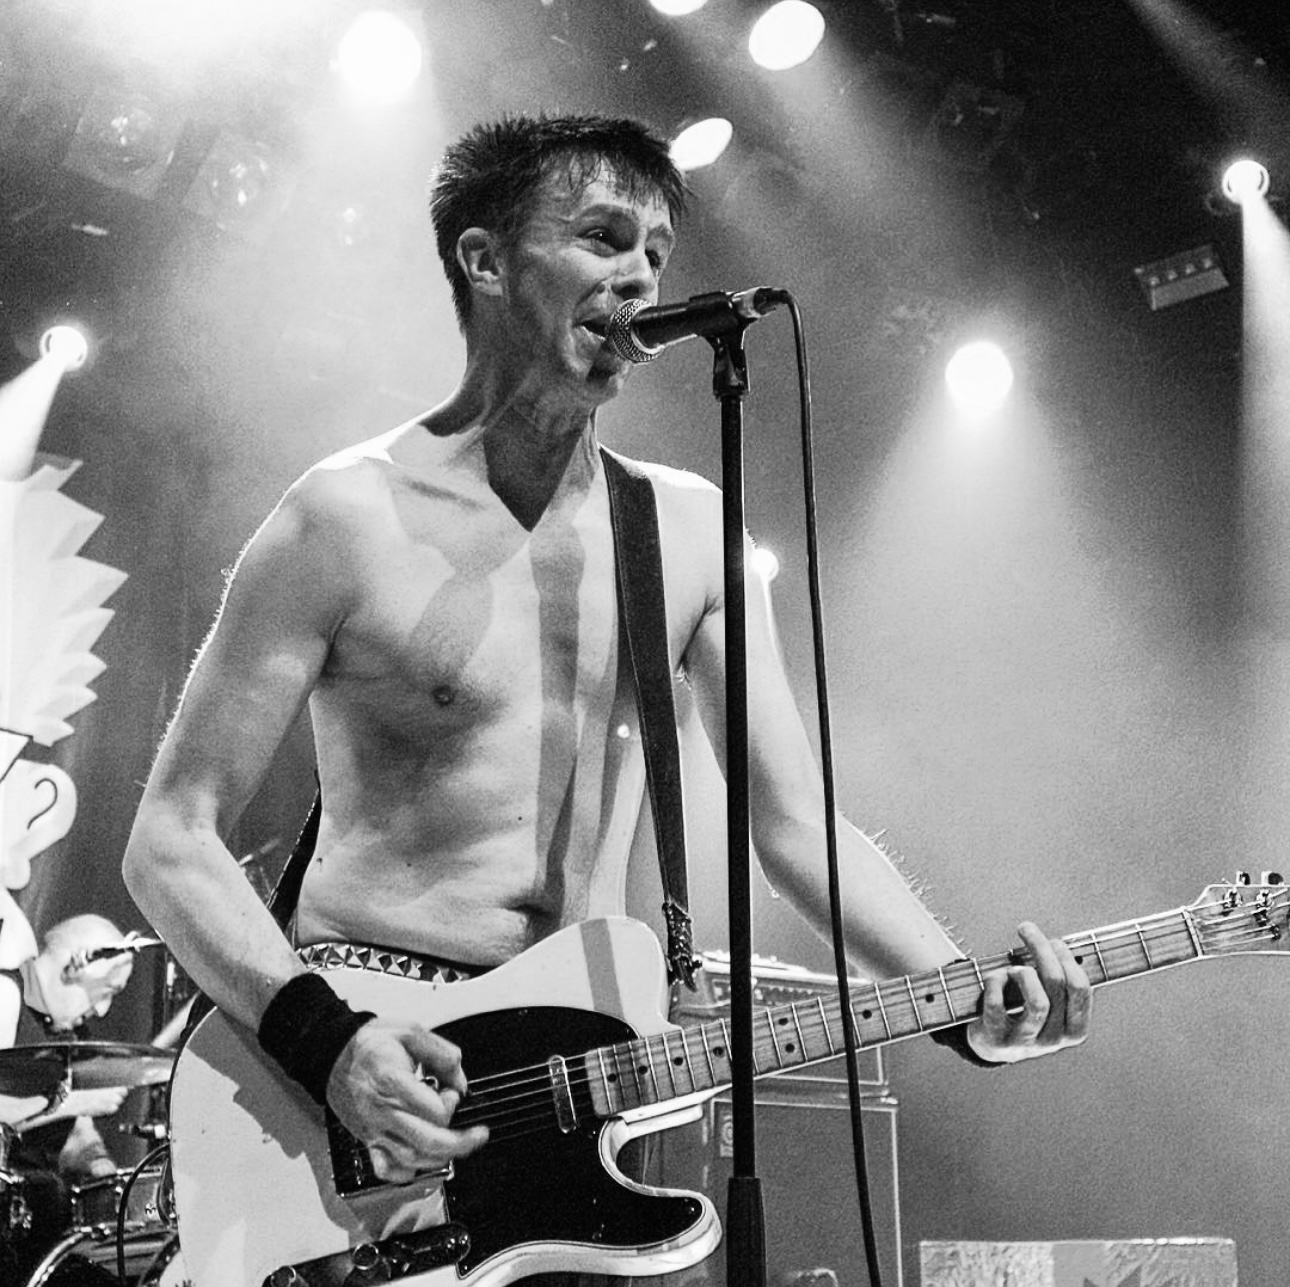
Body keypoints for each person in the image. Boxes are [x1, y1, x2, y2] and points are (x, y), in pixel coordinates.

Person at [121, 113, 1091, 1279]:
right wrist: (328, 1047)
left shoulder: (683, 531)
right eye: (600, 237)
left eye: (656, 254)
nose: (639, 276)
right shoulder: (344, 519)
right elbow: (169, 840)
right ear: (485, 260)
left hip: (571, 1087)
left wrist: (964, 1001)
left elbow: (795, 827)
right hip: (367, 1067)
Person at [1, 915, 136, 1281]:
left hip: (36, 1213)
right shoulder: (6, 994)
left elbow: (76, 1135)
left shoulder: (69, 1036)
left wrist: (101, 1165)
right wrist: (71, 1101)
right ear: (76, 965)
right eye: (107, 990)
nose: (103, 1009)